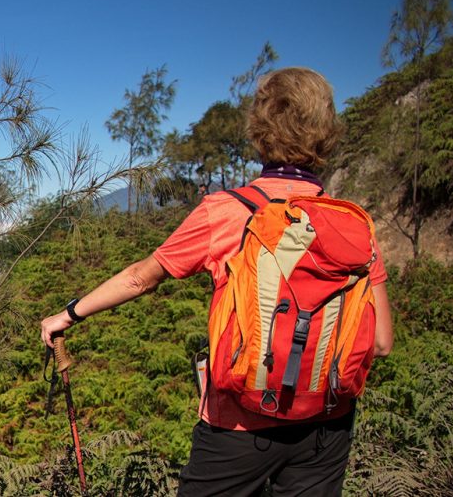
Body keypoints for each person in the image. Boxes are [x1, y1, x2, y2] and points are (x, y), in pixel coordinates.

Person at [40, 67, 393, 496]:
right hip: (327, 425)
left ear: (260, 131)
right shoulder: (355, 226)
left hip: (238, 424)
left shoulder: (227, 211)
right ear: (326, 133)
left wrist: (68, 314)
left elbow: (140, 279)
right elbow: (379, 343)